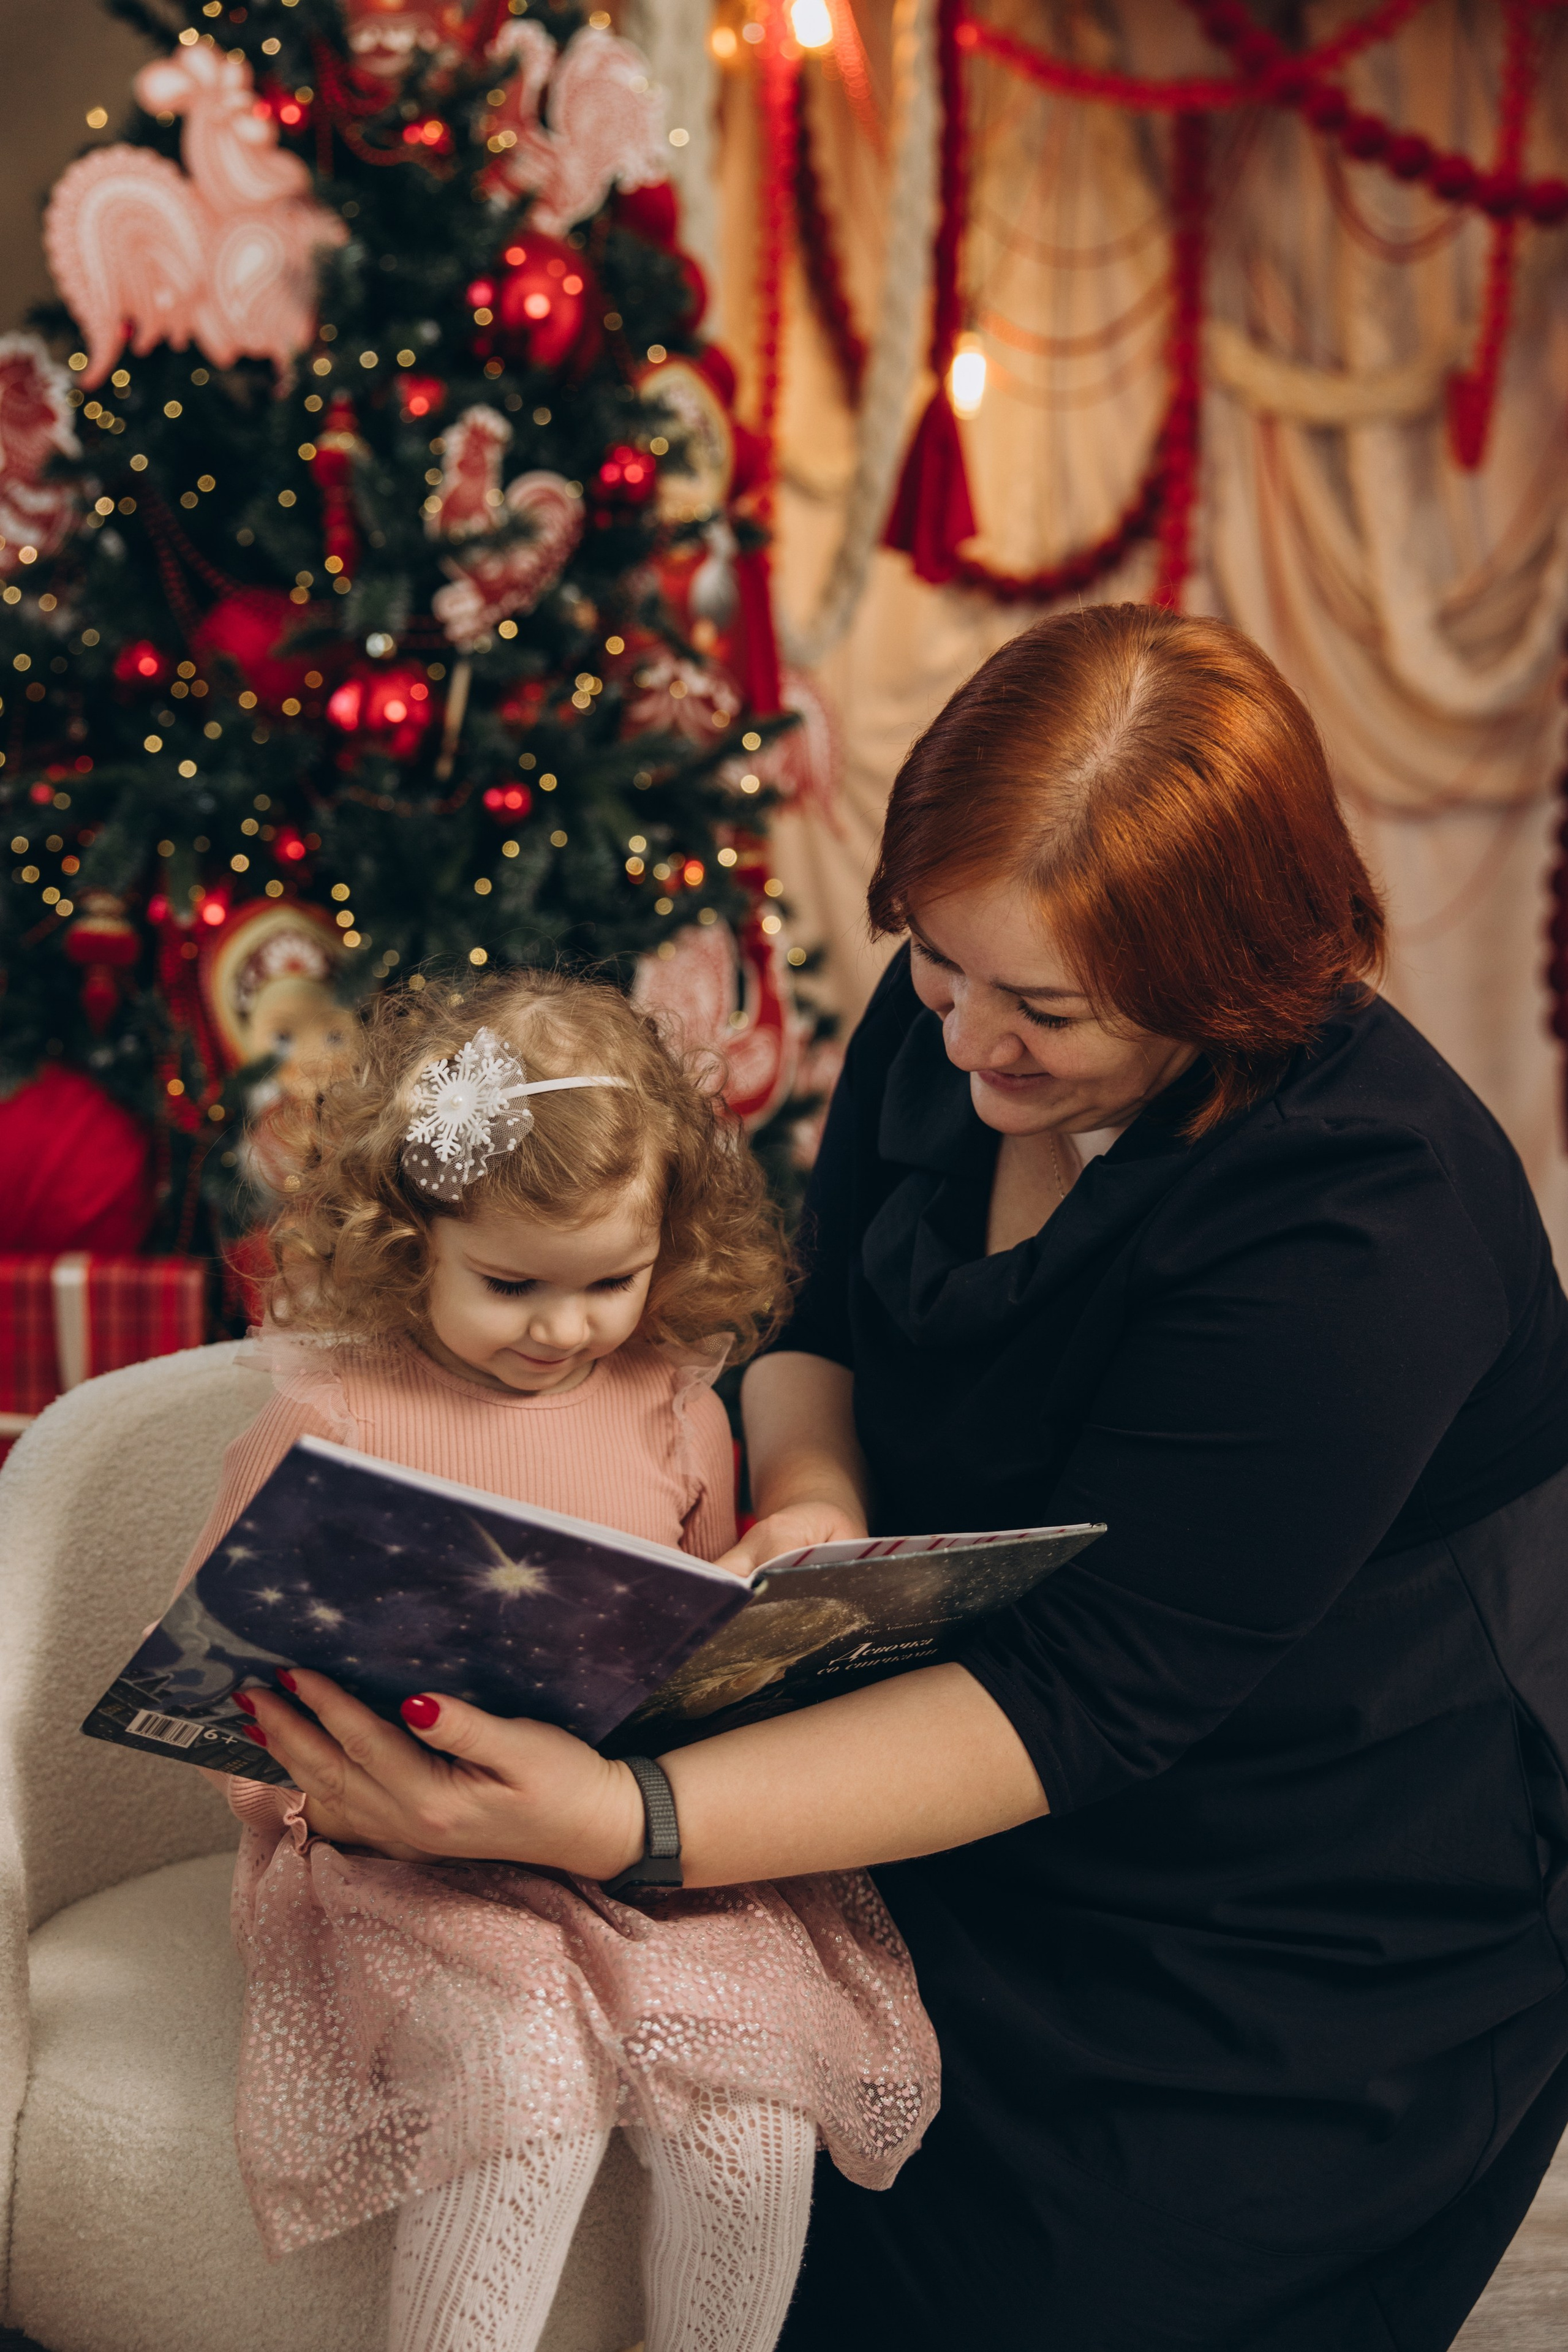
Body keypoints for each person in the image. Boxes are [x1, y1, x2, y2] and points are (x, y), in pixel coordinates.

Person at [241, 607, 1568, 2352]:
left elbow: (1089, 1695)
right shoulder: (951, 1009)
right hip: (943, 1745)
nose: (967, 1049)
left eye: (1048, 1013)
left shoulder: (1364, 1225)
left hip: (1306, 1885)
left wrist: (627, 1829)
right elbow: (824, 1312)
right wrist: (813, 1502)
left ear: (1233, 974)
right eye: (940, 971)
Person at [170, 969, 938, 2352]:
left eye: (611, 1282)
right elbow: (221, 1666)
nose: (564, 1327)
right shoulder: (334, 1415)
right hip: (410, 1858)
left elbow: (712, 1631)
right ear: (413, 1241)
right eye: (510, 1283)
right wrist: (304, 1795)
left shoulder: (672, 1405)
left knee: (753, 2125)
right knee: (520, 2096)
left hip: (644, 1849)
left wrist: (772, 1572)